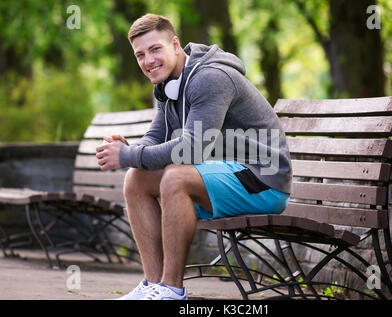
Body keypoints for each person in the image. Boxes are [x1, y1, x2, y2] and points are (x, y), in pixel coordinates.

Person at [95, 13, 292, 300]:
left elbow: (192, 150)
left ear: (175, 45)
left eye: (155, 49)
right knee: (136, 178)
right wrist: (131, 150)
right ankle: (153, 285)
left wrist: (127, 155)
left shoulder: (210, 79)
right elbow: (157, 136)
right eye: (140, 55)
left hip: (263, 180)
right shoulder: (165, 86)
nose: (148, 61)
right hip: (223, 175)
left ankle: (172, 290)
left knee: (176, 176)